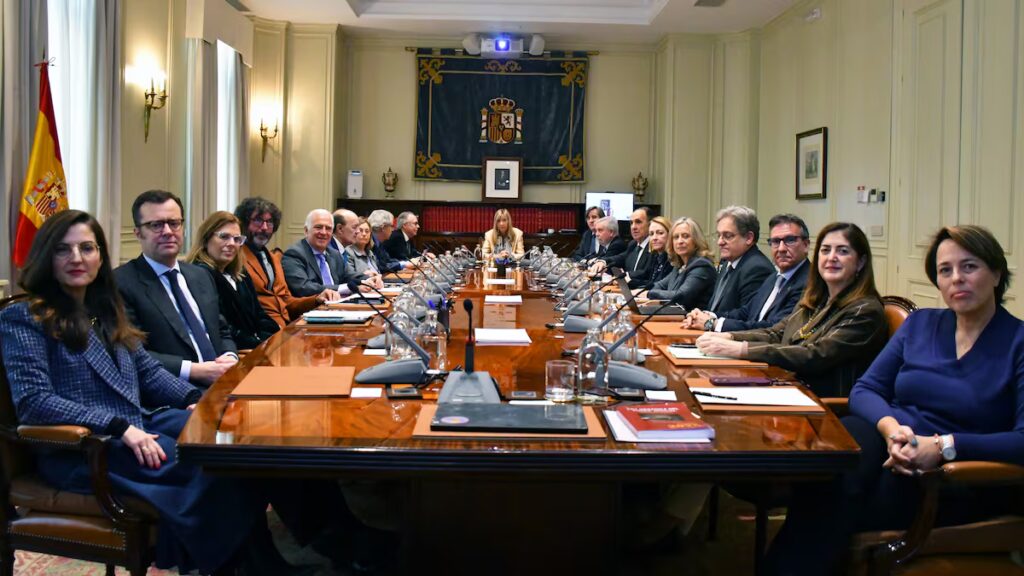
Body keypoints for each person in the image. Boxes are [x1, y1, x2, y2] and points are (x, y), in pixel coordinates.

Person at [0, 210, 265, 574]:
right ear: (46, 256)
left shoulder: (104, 309)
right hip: (84, 449)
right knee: (210, 466)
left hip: (138, 424)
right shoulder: (26, 317)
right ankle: (229, 565)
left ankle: (251, 559)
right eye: (63, 249)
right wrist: (119, 427)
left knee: (238, 444)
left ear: (100, 256)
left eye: (87, 248)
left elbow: (148, 373)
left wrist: (198, 401)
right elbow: (35, 402)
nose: (77, 258)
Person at [764, 225, 1024, 575]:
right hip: (893, 440)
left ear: (996, 273)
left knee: (836, 497)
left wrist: (944, 447)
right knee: (829, 469)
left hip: (955, 474)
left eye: (969, 267)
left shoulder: (1017, 342)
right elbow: (865, 390)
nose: (956, 278)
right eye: (945, 270)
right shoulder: (921, 324)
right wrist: (891, 429)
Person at [696, 222, 888, 397]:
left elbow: (814, 355)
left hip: (819, 402)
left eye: (843, 251)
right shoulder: (817, 299)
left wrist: (741, 349)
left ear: (861, 262)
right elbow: (777, 333)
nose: (831, 257)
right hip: (786, 385)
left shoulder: (864, 310)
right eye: (825, 250)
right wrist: (729, 337)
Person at [114, 190, 238, 388]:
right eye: (156, 225)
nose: (168, 231)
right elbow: (132, 352)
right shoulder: (121, 283)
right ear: (138, 233)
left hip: (225, 381)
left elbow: (221, 330)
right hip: (176, 390)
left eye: (174, 223)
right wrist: (194, 370)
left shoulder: (200, 275)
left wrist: (230, 356)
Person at [685, 213, 811, 332]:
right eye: (776, 242)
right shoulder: (774, 278)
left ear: (806, 245)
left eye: (790, 240)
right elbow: (746, 312)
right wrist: (707, 316)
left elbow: (775, 328)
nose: (781, 248)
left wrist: (712, 323)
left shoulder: (809, 283)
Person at [235, 197, 339, 329]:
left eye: (269, 222)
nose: (264, 228)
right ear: (244, 223)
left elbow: (286, 301)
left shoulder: (273, 259)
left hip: (286, 327)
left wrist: (317, 299)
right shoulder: (236, 258)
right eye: (258, 220)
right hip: (262, 330)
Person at [186, 211, 279, 350]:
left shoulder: (241, 273)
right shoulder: (198, 275)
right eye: (224, 237)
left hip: (256, 348)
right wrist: (257, 343)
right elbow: (220, 327)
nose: (231, 244)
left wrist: (270, 337)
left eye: (237, 239)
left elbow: (259, 313)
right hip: (230, 353)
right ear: (206, 239)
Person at [697, 205, 775, 321]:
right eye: (719, 235)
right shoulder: (727, 264)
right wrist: (701, 315)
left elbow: (747, 316)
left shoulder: (756, 268)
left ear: (748, 238)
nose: (720, 242)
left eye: (727, 236)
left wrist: (710, 319)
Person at [282, 209, 369, 297]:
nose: (324, 232)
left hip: (338, 303)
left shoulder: (334, 254)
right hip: (313, 304)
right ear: (306, 230)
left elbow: (349, 275)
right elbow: (302, 287)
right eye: (318, 227)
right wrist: (341, 288)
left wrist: (368, 280)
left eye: (328, 228)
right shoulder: (294, 254)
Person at [642, 217, 717, 309]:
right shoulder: (679, 266)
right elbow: (659, 285)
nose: (680, 241)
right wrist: (641, 292)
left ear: (696, 240)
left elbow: (681, 296)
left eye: (685, 236)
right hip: (676, 315)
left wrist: (649, 294)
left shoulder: (702, 266)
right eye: (676, 237)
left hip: (692, 317)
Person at [593, 207, 654, 288]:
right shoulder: (633, 244)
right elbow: (620, 257)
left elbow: (646, 272)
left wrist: (625, 275)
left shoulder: (654, 246)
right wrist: (603, 262)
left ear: (650, 225)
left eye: (638, 222)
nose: (633, 227)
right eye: (631, 223)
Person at [634, 215, 673, 291]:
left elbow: (662, 287)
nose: (654, 238)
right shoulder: (655, 256)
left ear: (670, 235)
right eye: (651, 234)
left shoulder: (673, 260)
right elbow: (651, 282)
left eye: (660, 233)